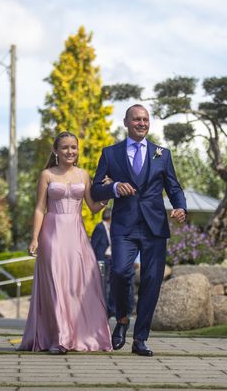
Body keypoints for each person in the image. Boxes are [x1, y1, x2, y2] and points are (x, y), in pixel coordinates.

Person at [92, 104, 187, 357]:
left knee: (151, 282)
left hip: (155, 227)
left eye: (145, 119)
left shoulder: (162, 154)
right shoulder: (110, 154)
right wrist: (114, 188)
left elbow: (174, 187)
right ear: (126, 122)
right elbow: (95, 189)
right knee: (121, 272)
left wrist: (180, 208)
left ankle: (141, 338)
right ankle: (122, 319)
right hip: (124, 226)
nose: (141, 123)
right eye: (136, 119)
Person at [19, 131, 112, 354]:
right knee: (55, 282)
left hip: (77, 235)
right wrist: (34, 237)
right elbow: (40, 208)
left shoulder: (83, 175)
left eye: (73, 147)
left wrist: (108, 193)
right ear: (56, 151)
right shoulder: (47, 175)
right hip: (52, 233)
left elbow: (93, 206)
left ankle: (80, 335)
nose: (70, 151)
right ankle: (59, 338)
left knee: (78, 284)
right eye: (65, 147)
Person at [90, 208, 135, 319]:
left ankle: (115, 309)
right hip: (103, 259)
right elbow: (94, 244)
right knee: (105, 285)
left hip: (112, 259)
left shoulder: (113, 227)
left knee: (113, 283)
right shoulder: (100, 227)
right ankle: (107, 309)